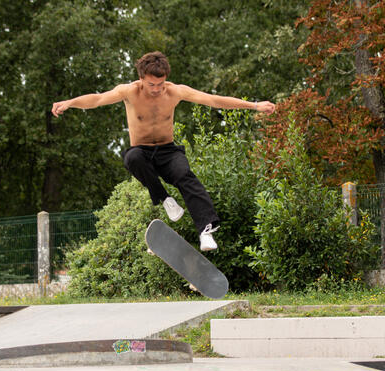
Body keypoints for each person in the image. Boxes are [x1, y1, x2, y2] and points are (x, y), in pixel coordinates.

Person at [52, 52, 275, 252]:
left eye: (160, 83)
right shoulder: (128, 91)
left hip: (168, 151)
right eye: (151, 84)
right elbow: (98, 99)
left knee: (185, 175)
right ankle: (165, 199)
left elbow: (214, 100)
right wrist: (70, 102)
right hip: (142, 150)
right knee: (132, 158)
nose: (157, 89)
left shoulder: (175, 91)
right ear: (141, 78)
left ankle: (205, 231)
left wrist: (254, 106)